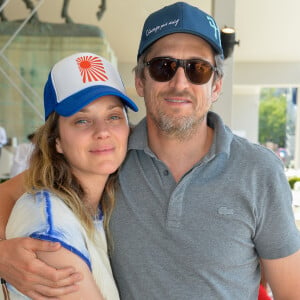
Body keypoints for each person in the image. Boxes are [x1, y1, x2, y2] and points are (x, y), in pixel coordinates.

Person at [1, 2, 300, 299]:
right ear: (140, 81)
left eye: (198, 69)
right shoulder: (111, 154)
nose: (179, 82)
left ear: (216, 85)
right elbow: (17, 193)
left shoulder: (258, 170)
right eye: (163, 67)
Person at [0, 52, 138, 299]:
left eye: (114, 116)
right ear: (56, 141)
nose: (103, 131)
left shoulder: (102, 199)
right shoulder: (50, 229)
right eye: (82, 121)